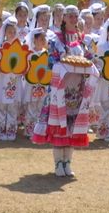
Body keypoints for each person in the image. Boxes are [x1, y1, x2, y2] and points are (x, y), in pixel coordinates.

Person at [32, 39, 97, 177]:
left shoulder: (81, 42)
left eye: (75, 16)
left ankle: (67, 162)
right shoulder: (57, 42)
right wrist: (61, 61)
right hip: (60, 89)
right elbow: (51, 63)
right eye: (71, 16)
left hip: (77, 89)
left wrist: (88, 60)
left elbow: (90, 59)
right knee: (59, 128)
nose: (73, 19)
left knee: (71, 129)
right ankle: (58, 163)